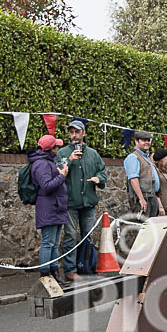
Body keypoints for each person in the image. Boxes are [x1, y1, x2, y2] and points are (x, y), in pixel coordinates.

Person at [56, 120, 108, 282]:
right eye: (71, 132)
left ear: (83, 133)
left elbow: (103, 172)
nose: (74, 135)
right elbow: (58, 173)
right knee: (70, 236)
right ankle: (70, 270)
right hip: (70, 202)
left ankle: (87, 267)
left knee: (88, 236)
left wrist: (98, 179)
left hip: (89, 202)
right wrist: (70, 160)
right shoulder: (63, 152)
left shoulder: (93, 153)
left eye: (77, 132)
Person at [28, 134, 68, 285]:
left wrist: (58, 174)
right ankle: (46, 275)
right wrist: (62, 176)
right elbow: (46, 186)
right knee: (48, 242)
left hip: (56, 207)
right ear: (51, 149)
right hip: (49, 207)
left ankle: (54, 272)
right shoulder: (42, 164)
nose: (58, 149)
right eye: (56, 146)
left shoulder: (47, 162)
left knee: (54, 242)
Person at [124, 130, 163, 218]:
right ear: (136, 141)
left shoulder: (146, 157)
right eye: (144, 140)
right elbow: (133, 179)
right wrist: (141, 198)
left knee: (151, 228)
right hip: (142, 199)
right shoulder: (133, 157)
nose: (147, 142)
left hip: (151, 197)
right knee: (142, 227)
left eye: (148, 140)